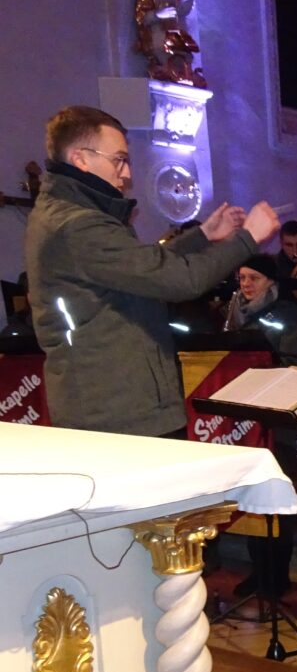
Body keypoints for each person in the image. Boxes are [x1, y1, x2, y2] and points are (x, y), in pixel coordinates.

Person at [25, 105, 279, 437]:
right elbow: (180, 281)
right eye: (118, 160)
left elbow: (139, 267)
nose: (126, 173)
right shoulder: (78, 226)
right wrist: (247, 238)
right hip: (117, 410)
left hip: (116, 402)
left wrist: (202, 237)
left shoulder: (69, 216)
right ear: (81, 159)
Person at [223, 253, 297, 598]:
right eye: (242, 278)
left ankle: (277, 574)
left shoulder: (287, 314)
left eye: (253, 278)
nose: (245, 285)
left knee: (274, 498)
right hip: (245, 420)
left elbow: (293, 361)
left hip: (275, 420)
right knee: (250, 498)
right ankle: (257, 570)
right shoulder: (235, 313)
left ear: (270, 282)